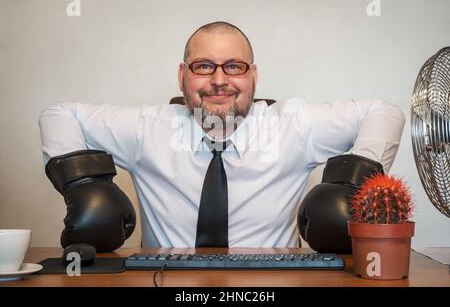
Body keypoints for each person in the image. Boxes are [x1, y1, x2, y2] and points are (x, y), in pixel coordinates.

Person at [39, 21, 405, 252]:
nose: (218, 79)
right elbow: (60, 114)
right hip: (166, 285)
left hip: (269, 291)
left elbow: (384, 112)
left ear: (253, 76)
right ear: (182, 75)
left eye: (233, 66)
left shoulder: (293, 125)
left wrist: (352, 184)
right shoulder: (147, 128)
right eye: (203, 66)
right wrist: (84, 185)